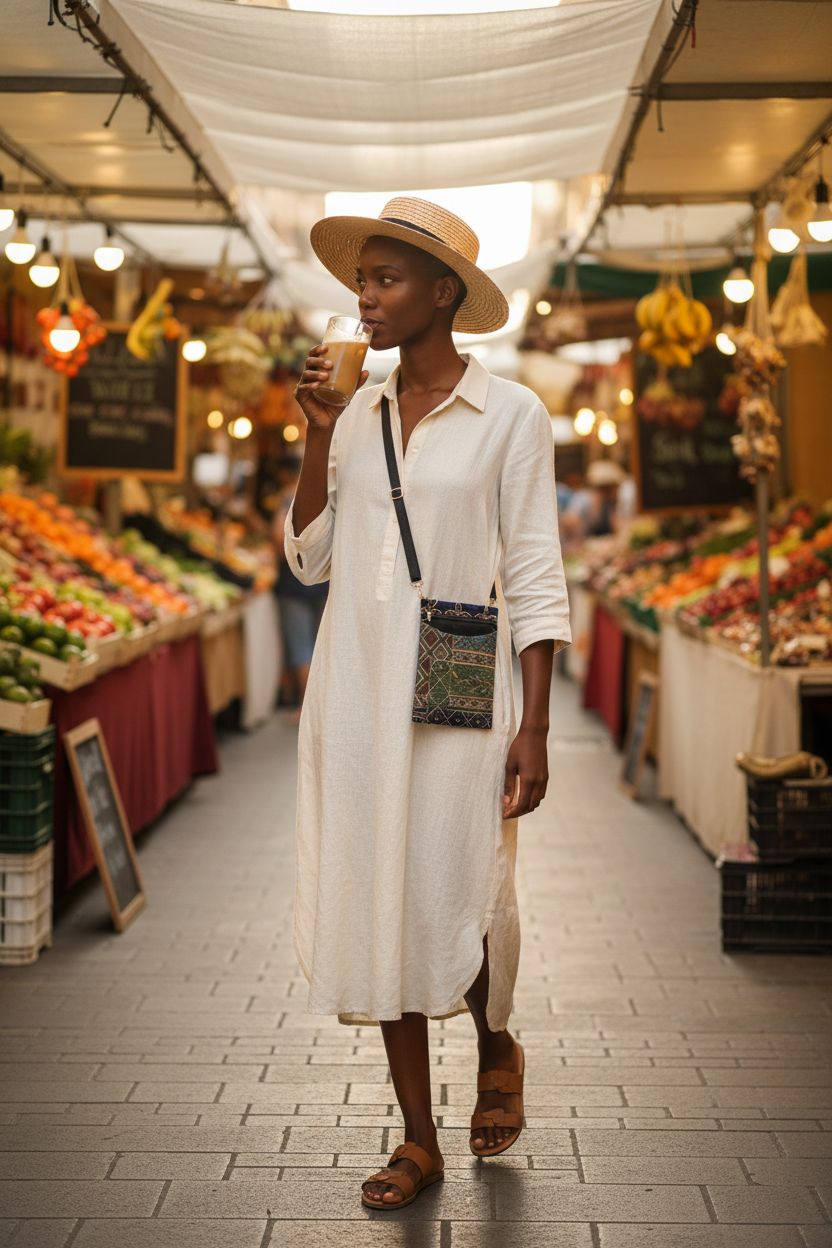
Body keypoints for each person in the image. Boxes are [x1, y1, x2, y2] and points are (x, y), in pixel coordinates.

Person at [286, 198, 571, 1210]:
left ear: (442, 291)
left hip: (458, 668)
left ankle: (496, 1040)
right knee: (383, 894)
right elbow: (308, 556)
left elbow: (534, 571)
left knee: (471, 880)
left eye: (384, 279)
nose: (362, 298)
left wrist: (532, 726)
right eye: (360, 279)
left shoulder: (512, 414)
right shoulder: (351, 411)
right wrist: (317, 437)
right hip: (359, 685)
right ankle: (418, 1138)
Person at [271, 456, 328, 718]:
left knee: (301, 644)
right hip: (323, 581)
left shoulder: (289, 497)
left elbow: (278, 538)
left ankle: (307, 708)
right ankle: (320, 706)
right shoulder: (327, 490)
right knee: (319, 642)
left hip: (294, 583)